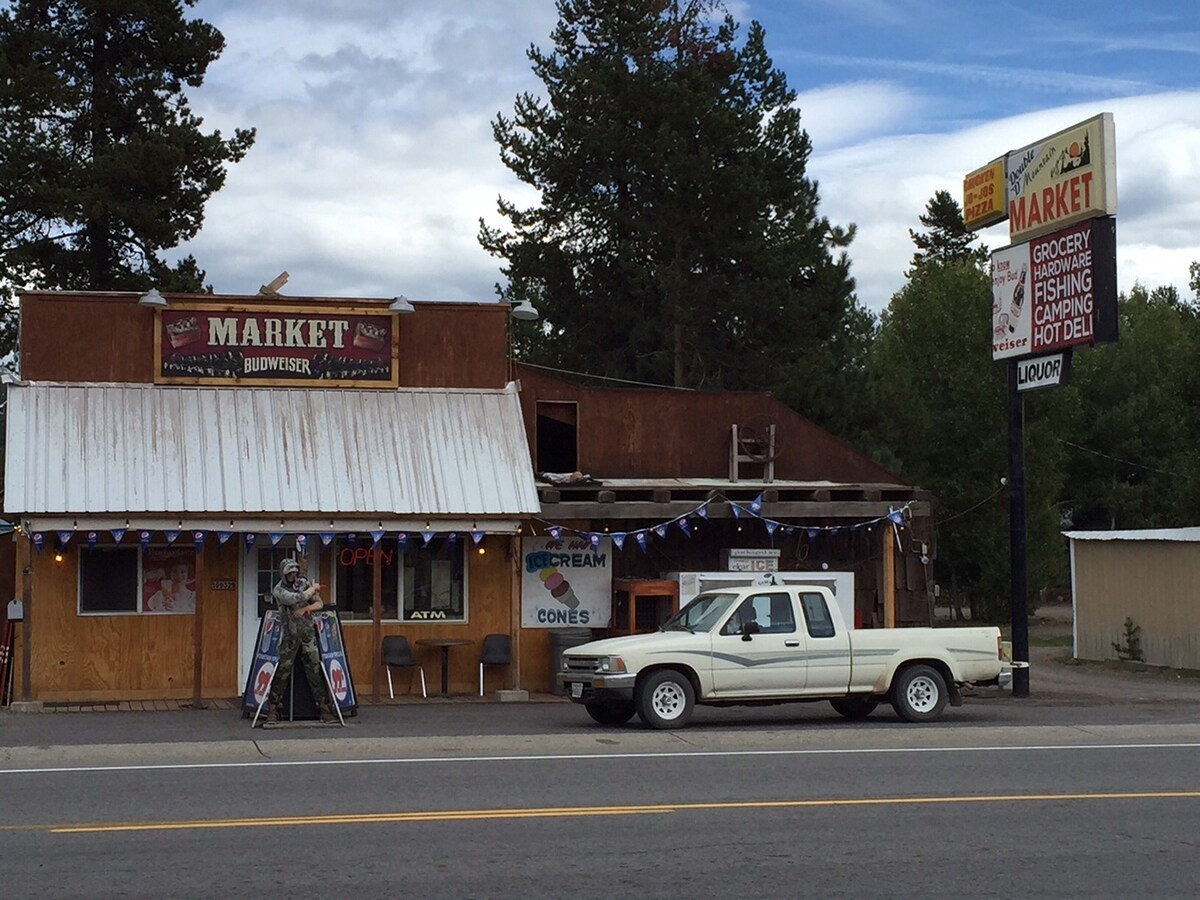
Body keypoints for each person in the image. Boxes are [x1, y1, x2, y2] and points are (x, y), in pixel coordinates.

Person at [267, 558, 337, 724]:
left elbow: (319, 603)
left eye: (294, 572)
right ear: (283, 574)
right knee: (283, 669)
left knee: (314, 666)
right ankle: (273, 706)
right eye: (289, 572)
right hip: (289, 636)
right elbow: (295, 599)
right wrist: (312, 589)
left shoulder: (303, 583)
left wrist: (306, 608)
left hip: (307, 633)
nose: (292, 575)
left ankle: (323, 706)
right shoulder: (278, 590)